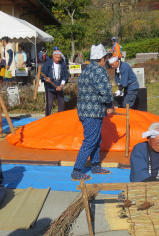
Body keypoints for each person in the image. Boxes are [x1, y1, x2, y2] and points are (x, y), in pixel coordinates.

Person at [71, 44, 115, 181]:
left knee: (96, 139)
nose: (106, 61)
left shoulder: (85, 70)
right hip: (93, 112)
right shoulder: (99, 71)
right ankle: (76, 170)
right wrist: (110, 105)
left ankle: (95, 166)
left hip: (83, 111)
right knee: (90, 140)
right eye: (105, 59)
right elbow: (106, 91)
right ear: (101, 59)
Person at [41, 50, 69, 116]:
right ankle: (47, 118)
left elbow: (65, 76)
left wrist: (61, 86)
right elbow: (43, 73)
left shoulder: (62, 64)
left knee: (61, 103)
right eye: (56, 57)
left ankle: (60, 117)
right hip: (50, 86)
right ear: (53, 56)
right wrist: (46, 79)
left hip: (59, 85)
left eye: (59, 57)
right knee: (49, 103)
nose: (58, 59)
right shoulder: (48, 63)